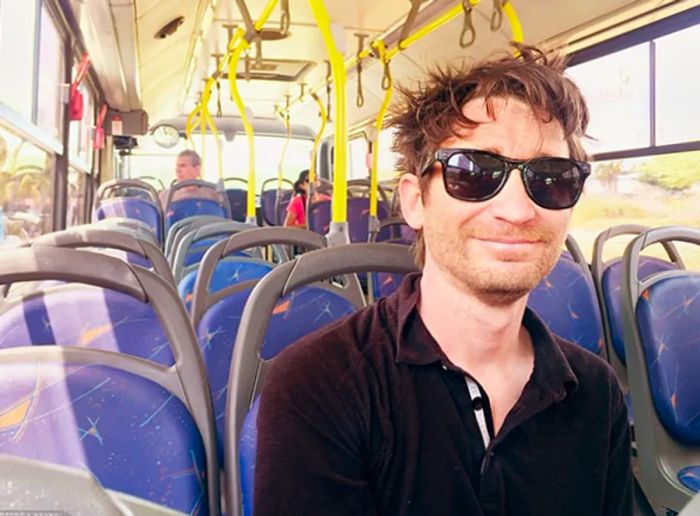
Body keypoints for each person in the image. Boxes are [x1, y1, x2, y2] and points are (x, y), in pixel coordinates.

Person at [254, 44, 632, 515]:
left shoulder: (596, 392)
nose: (517, 211)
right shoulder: (320, 385)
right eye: (474, 173)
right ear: (415, 200)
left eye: (551, 177)